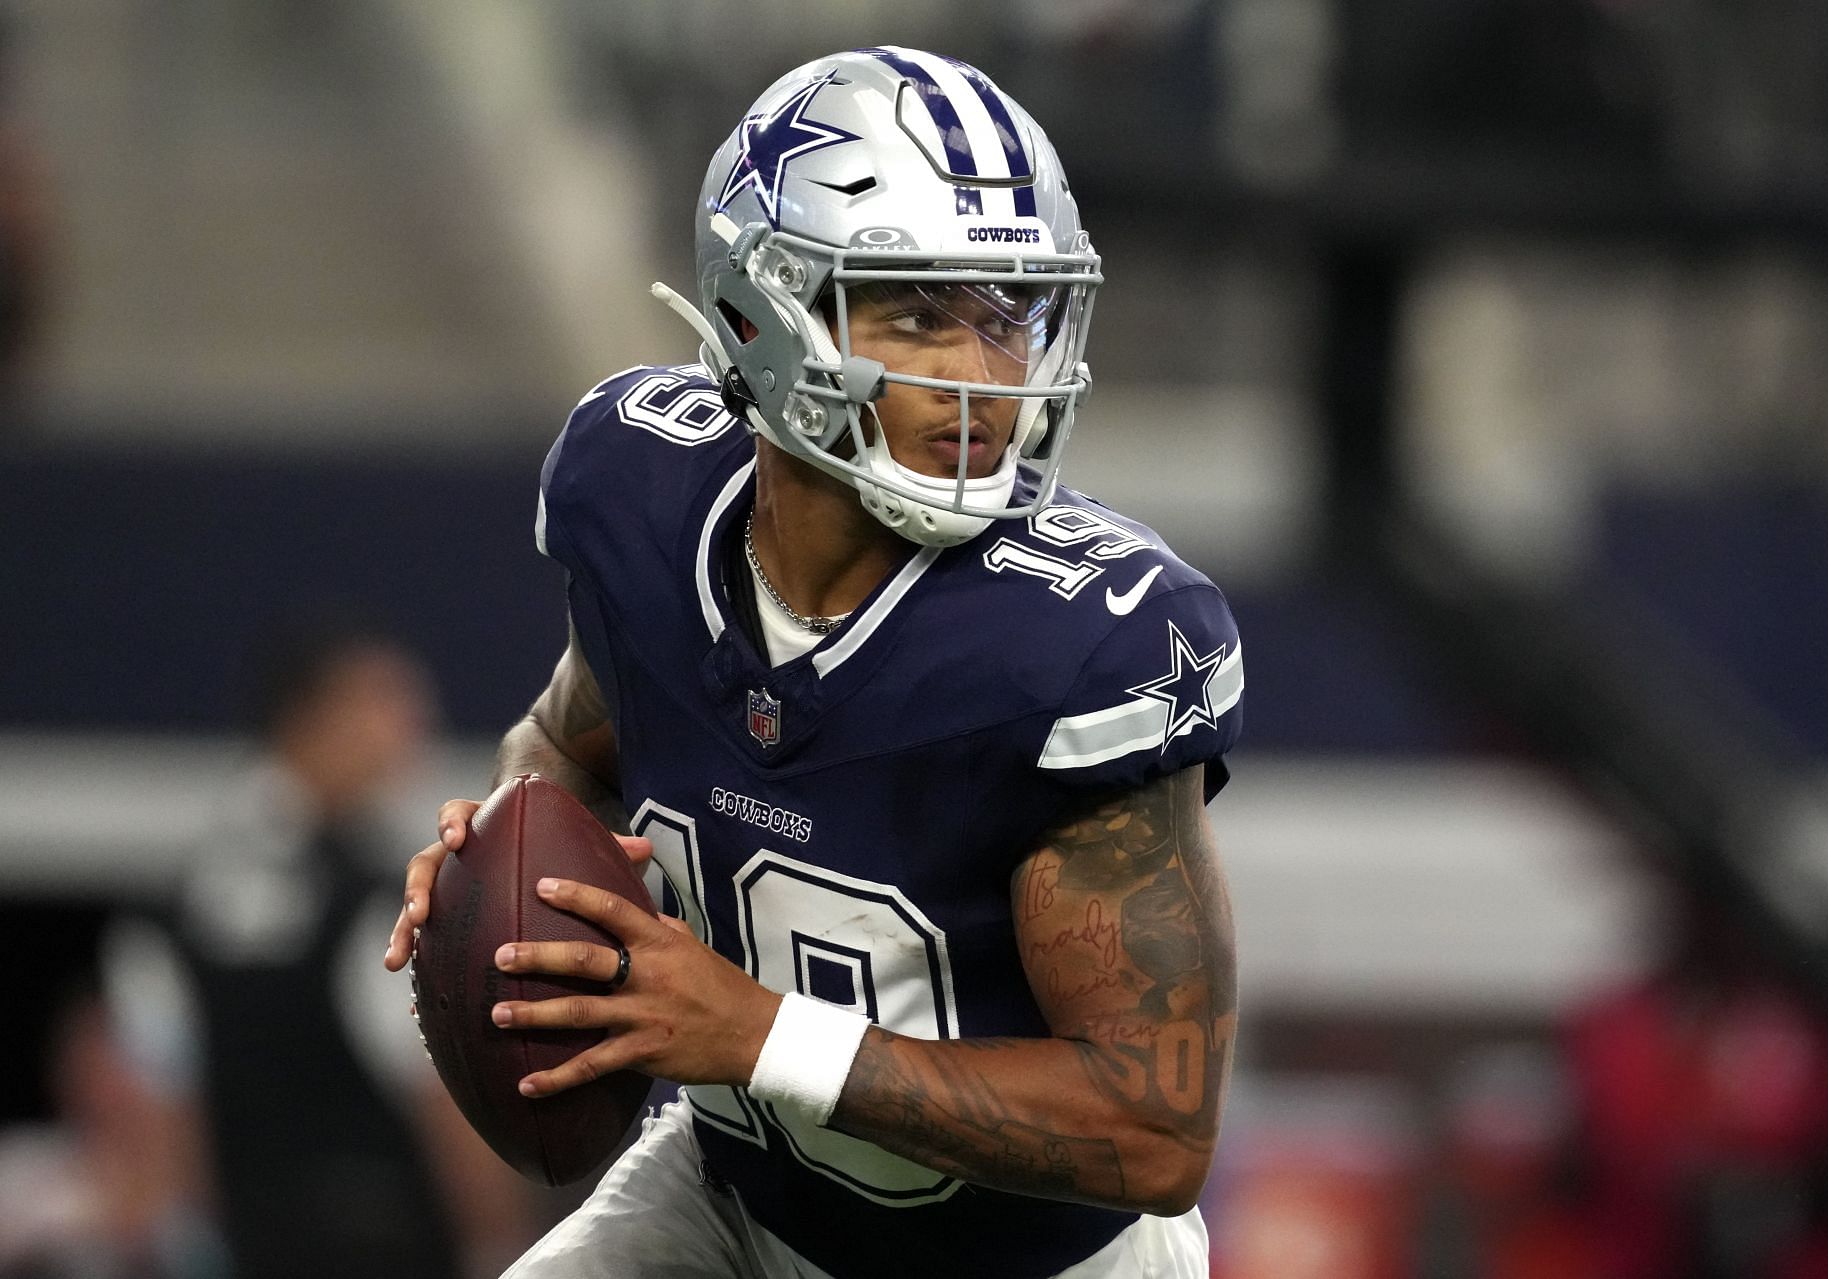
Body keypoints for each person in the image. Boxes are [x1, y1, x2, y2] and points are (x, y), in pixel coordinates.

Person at [385, 45, 1245, 1279]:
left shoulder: (1080, 641)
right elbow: (565, 746)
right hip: (740, 1189)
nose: (982, 378)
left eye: (1013, 317)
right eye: (920, 311)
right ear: (760, 313)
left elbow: (1157, 1129)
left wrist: (758, 1035)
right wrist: (510, 852)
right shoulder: (642, 498)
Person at [125, 620, 538, 1279]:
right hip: (386, 1244)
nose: (413, 723)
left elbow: (162, 1112)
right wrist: (505, 1248)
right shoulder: (380, 901)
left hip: (249, 1244)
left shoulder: (177, 899)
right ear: (310, 719)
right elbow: (442, 1098)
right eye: (384, 700)